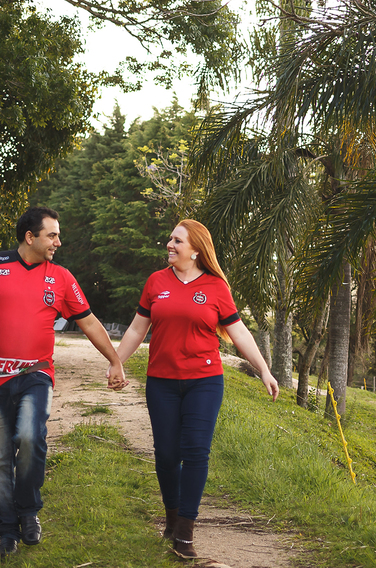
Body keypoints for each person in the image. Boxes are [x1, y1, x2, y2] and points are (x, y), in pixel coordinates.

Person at [0, 206, 128, 558]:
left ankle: (29, 510)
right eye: (52, 235)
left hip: (36, 374)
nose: (58, 242)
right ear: (30, 237)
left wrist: (115, 359)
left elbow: (89, 321)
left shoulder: (61, 277)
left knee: (31, 437)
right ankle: (7, 530)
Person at [113, 219, 279, 559]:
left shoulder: (216, 287)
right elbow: (136, 329)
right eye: (170, 239)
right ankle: (172, 518)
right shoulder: (156, 282)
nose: (170, 245)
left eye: (177, 240)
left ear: (196, 250)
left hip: (204, 381)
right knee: (166, 455)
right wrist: (116, 362)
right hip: (161, 381)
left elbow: (239, 332)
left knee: (196, 452)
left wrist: (264, 369)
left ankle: (185, 532)